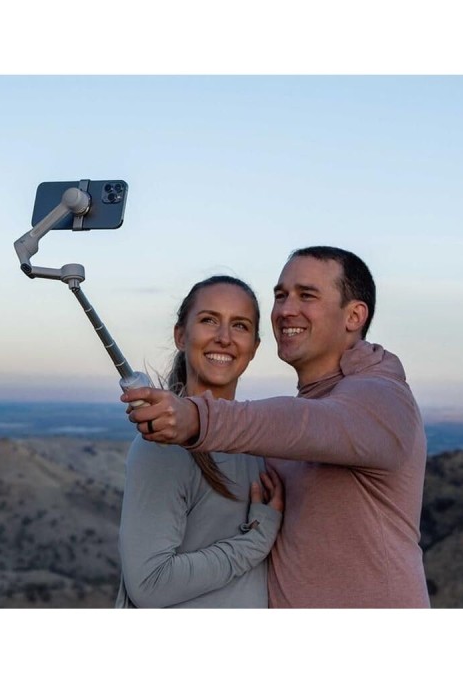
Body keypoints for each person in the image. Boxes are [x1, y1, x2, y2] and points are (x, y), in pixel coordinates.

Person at [122, 247, 430, 608]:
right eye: (281, 296)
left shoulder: (382, 398)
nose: (285, 310)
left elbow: (309, 425)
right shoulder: (272, 440)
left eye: (307, 295)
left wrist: (196, 417)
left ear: (353, 316)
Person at [116, 275, 284, 608]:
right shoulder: (163, 446)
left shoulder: (255, 442)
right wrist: (255, 541)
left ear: (254, 347)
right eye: (209, 320)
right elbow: (149, 584)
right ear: (181, 335)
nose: (224, 338)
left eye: (239, 325)